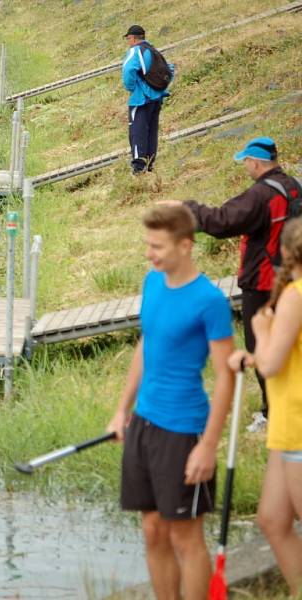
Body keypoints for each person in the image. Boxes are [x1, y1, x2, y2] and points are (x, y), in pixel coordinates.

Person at [106, 204, 234, 600]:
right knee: (152, 531)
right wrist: (122, 410)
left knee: (185, 538)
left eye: (157, 246)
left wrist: (208, 447)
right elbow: (147, 344)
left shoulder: (210, 301)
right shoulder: (152, 282)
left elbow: (226, 376)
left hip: (184, 430)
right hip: (144, 422)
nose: (150, 253)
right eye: (148, 244)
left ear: (185, 245)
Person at [182, 137, 302, 431]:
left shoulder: (260, 195)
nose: (245, 167)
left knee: (260, 346)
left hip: (263, 283)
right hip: (291, 277)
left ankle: (272, 413)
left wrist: (187, 208)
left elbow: (223, 221)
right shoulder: (294, 186)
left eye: (245, 162)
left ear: (256, 162)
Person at [228, 218, 302, 596]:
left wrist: (260, 331)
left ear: (286, 252)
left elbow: (272, 362)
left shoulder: (294, 295)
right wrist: (253, 356)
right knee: (273, 520)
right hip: (285, 424)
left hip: (296, 422)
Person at [122, 25, 171, 174]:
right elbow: (169, 69)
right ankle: (150, 164)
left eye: (128, 38)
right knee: (151, 131)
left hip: (140, 99)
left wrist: (131, 88)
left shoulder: (135, 51)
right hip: (156, 97)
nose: (128, 42)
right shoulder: (152, 50)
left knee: (138, 132)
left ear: (133, 38)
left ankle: (139, 166)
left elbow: (128, 70)